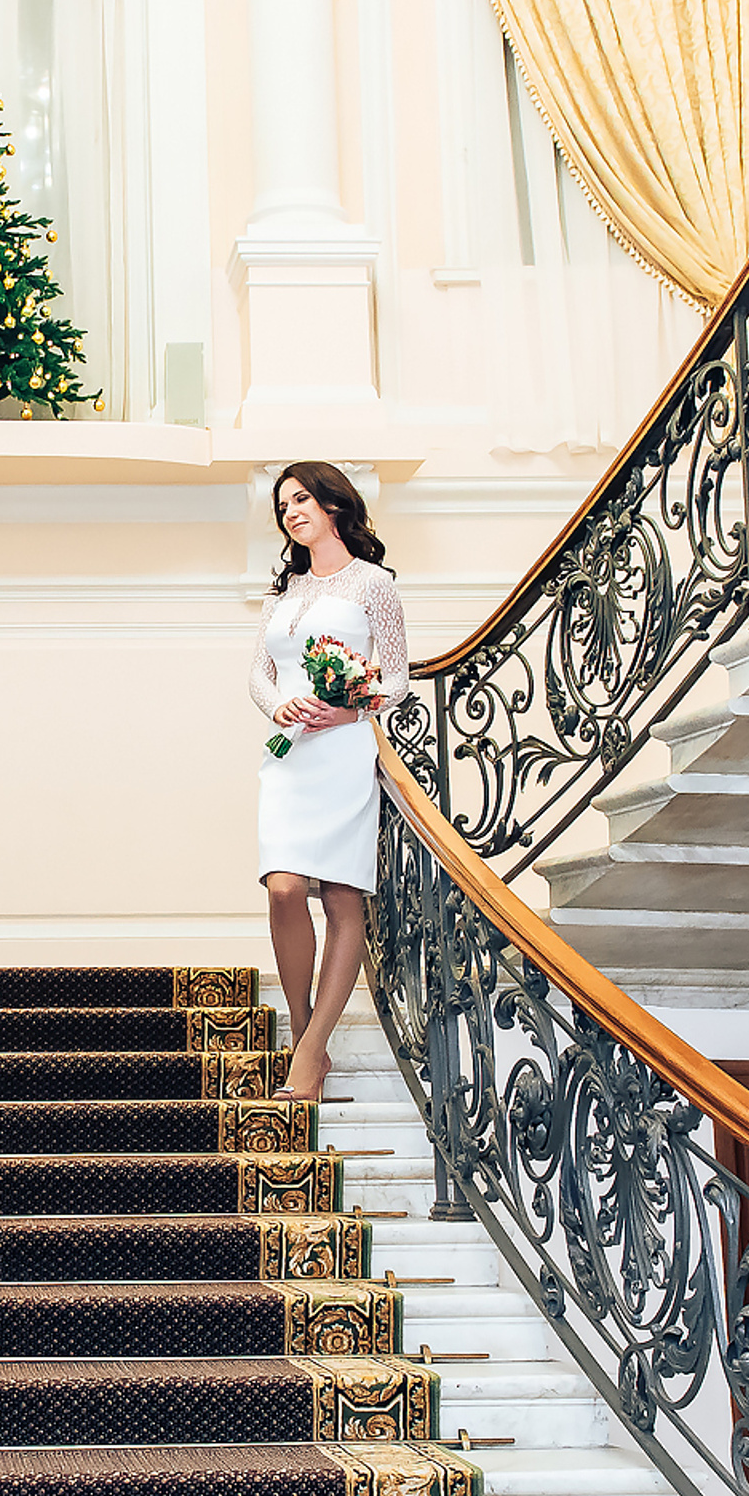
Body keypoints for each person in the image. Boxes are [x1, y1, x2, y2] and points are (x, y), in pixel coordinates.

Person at [249, 463, 409, 1104]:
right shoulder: (281, 591)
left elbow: (395, 677)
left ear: (335, 504)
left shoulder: (374, 586)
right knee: (284, 889)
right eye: (283, 504)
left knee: (344, 902)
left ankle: (311, 1053)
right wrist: (276, 706)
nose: (291, 511)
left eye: (302, 499)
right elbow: (258, 674)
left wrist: (350, 709)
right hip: (288, 759)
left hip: (343, 754)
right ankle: (305, 1031)